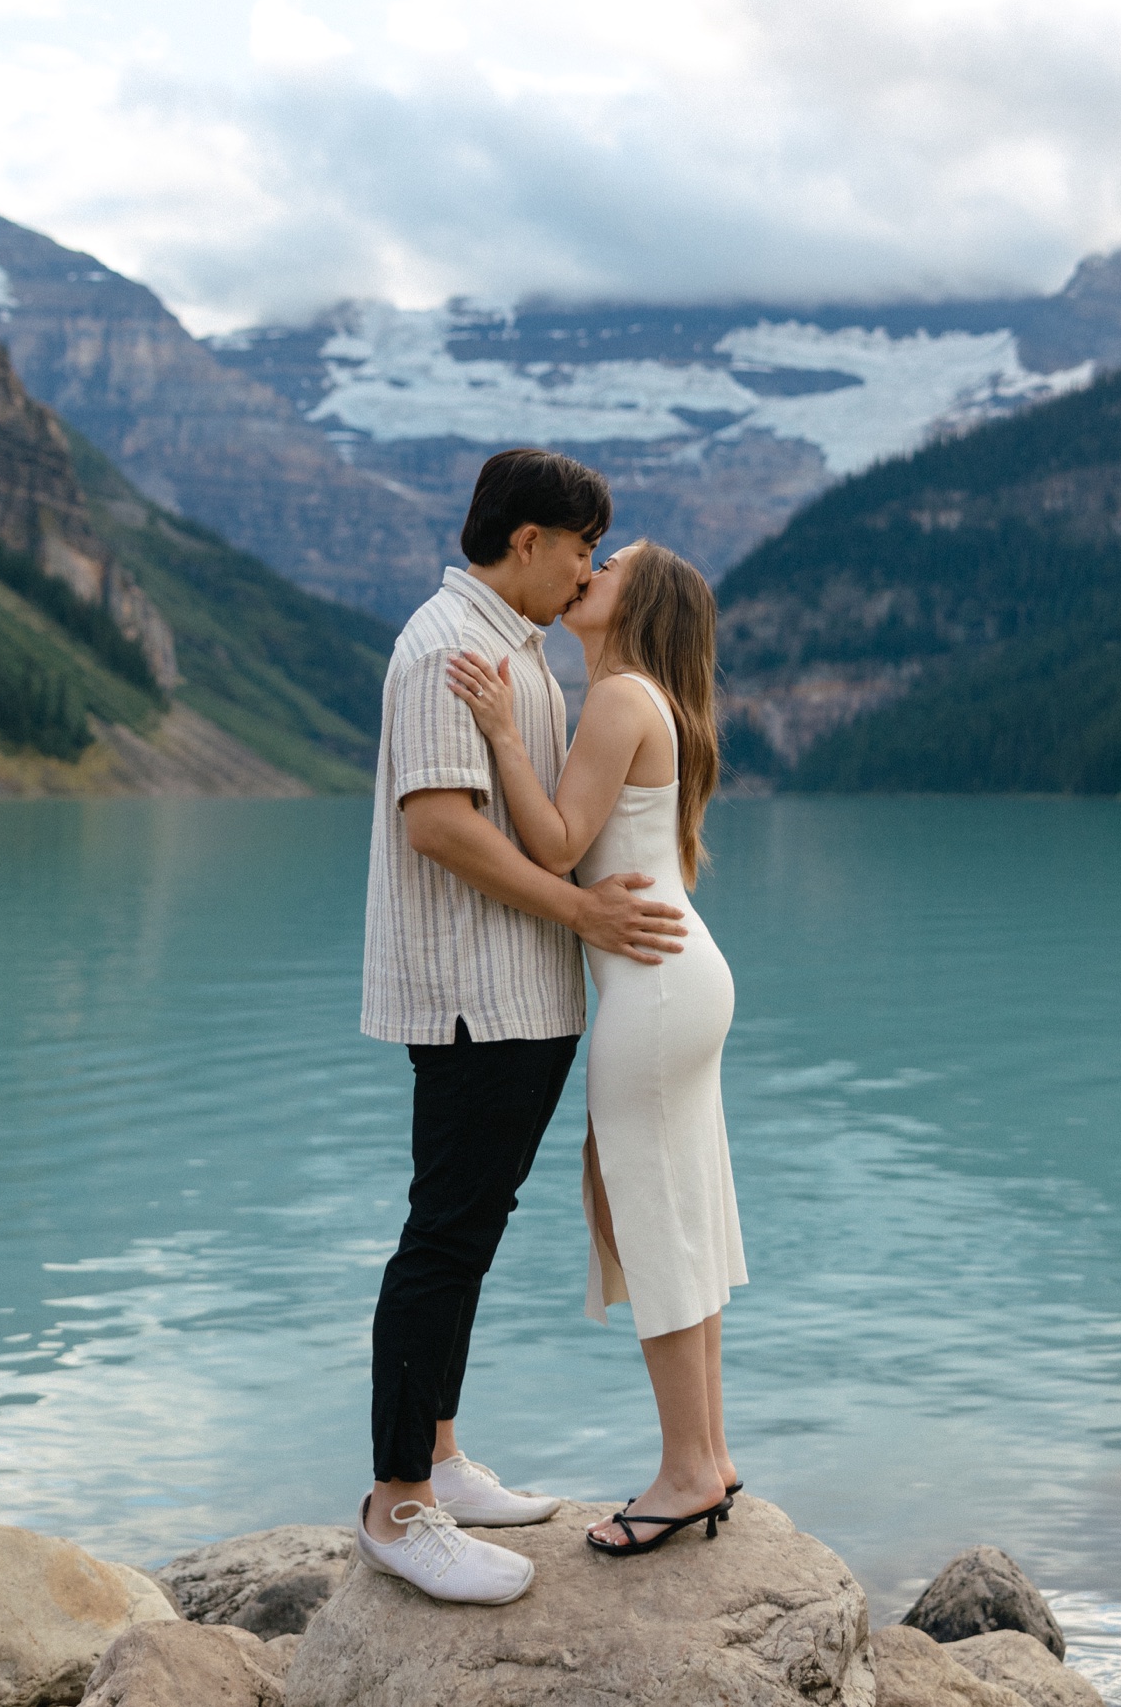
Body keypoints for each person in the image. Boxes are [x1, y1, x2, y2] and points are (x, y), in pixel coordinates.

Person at [357, 450, 690, 1606]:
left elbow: (546, 818)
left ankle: (440, 1457)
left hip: (523, 1000)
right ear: (531, 539)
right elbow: (439, 826)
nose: (589, 567)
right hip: (472, 998)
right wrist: (584, 908)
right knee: (443, 1235)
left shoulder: (519, 650)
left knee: (472, 1227)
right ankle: (398, 1504)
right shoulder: (444, 648)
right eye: (582, 546)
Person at [448, 539, 746, 1559]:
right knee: (668, 1205)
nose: (592, 565)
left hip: (654, 983)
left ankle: (685, 1470)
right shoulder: (641, 700)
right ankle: (706, 1452)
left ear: (641, 599)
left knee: (648, 1210)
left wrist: (499, 735)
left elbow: (557, 845)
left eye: (611, 561)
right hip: (675, 973)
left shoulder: (622, 697)